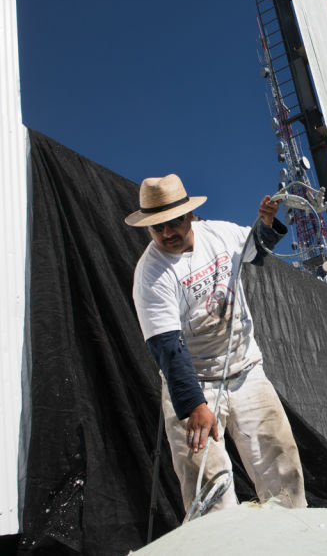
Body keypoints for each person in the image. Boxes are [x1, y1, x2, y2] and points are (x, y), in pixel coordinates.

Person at [125, 173, 307, 512]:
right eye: (157, 227)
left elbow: (256, 249)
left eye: (174, 221)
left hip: (246, 370)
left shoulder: (220, 234)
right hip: (195, 383)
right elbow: (167, 346)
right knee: (209, 492)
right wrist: (194, 405)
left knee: (283, 471)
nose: (167, 233)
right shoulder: (151, 275)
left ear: (189, 214)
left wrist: (266, 223)